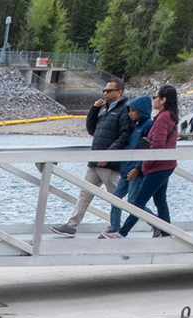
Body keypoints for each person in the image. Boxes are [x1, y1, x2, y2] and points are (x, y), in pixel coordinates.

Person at [51, 78, 131, 237]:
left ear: (119, 92)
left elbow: (125, 135)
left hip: (109, 163)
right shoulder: (105, 109)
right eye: (104, 90)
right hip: (95, 161)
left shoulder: (124, 110)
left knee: (116, 198)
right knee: (85, 193)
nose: (105, 93)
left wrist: (108, 154)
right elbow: (92, 130)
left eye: (109, 91)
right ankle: (71, 225)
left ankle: (131, 225)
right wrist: (94, 110)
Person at [115, 85, 178, 238]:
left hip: (158, 166)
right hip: (165, 164)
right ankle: (166, 232)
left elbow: (158, 144)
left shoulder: (163, 117)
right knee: (160, 201)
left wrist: (145, 164)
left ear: (163, 100)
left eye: (155, 97)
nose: (153, 100)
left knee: (139, 200)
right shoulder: (170, 116)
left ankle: (122, 232)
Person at [104, 94, 150, 237]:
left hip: (136, 170)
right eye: (129, 111)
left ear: (141, 111)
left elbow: (146, 149)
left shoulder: (148, 124)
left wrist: (137, 167)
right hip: (126, 167)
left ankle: (157, 224)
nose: (130, 114)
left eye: (133, 111)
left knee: (133, 202)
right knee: (116, 197)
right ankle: (114, 227)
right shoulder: (134, 125)